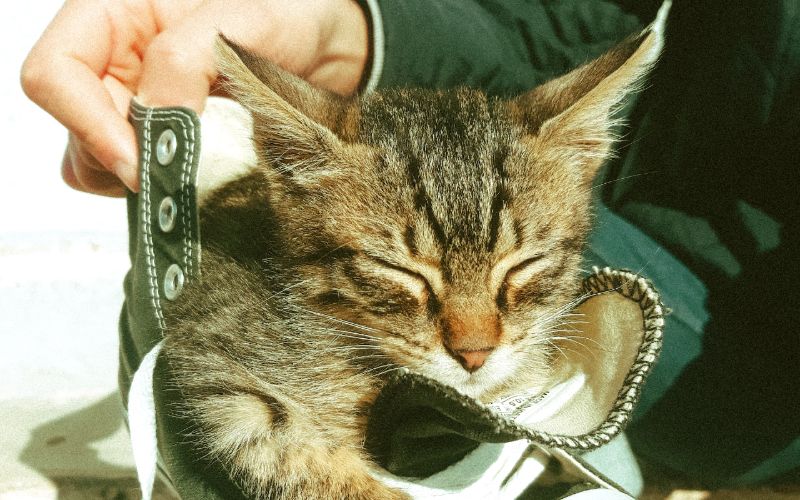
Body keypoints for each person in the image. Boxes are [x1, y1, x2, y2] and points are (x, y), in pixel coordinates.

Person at [22, 0, 800, 496]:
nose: (471, 340)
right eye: (403, 277)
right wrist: (350, 29)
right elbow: (585, 20)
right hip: (640, 201)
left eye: (518, 279)